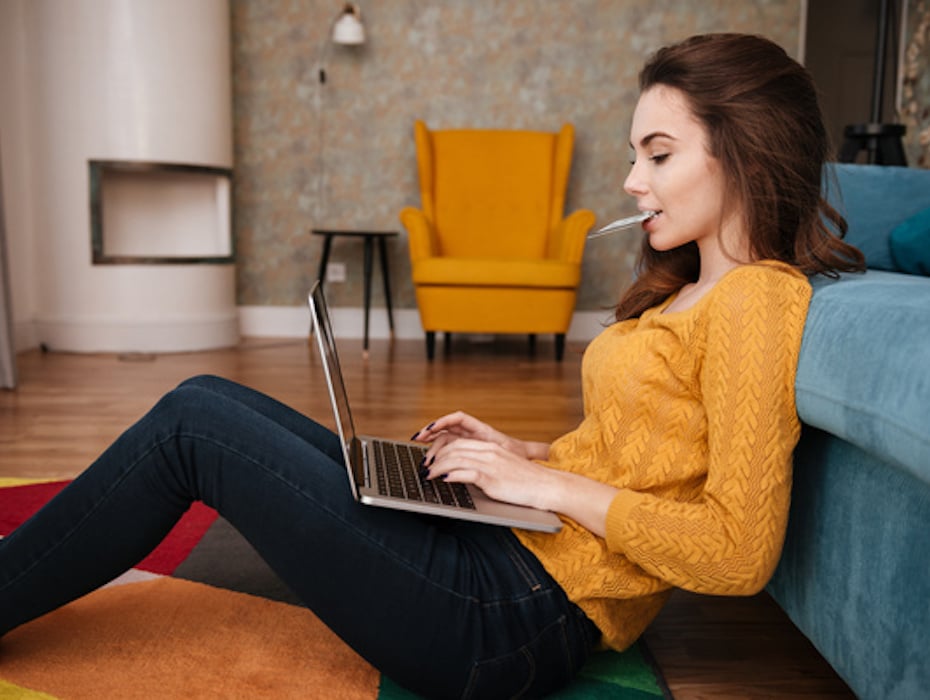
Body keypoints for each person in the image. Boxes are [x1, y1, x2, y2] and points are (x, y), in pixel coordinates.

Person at [0, 33, 864, 699]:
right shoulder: (687, 291)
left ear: (744, 150)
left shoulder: (757, 298)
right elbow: (640, 456)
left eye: (659, 154)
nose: (633, 181)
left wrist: (547, 491)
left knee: (195, 426)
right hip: (514, 559)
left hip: (512, 621)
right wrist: (520, 458)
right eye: (636, 155)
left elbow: (737, 551)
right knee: (209, 396)